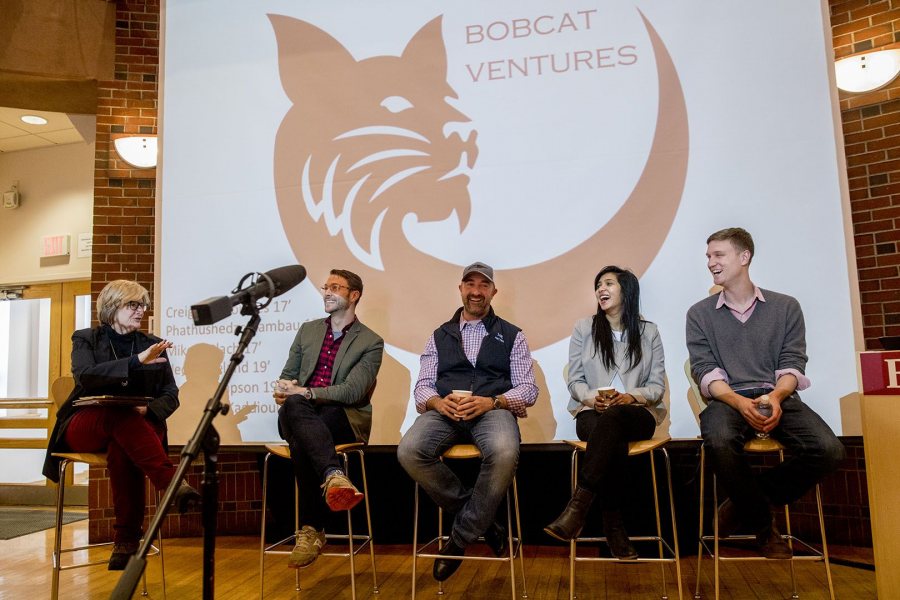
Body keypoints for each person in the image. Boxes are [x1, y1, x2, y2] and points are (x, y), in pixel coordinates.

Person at [686, 227, 844, 559]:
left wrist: (775, 398)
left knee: (829, 450)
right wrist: (737, 401)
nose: (711, 263)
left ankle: (746, 501)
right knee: (718, 439)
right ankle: (761, 524)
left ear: (744, 258)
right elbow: (705, 369)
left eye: (718, 255)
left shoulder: (785, 307)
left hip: (777, 394)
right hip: (728, 398)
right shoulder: (699, 314)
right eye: (708, 257)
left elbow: (792, 362)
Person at [42, 280, 200, 570]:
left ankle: (126, 542)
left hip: (136, 427)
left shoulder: (153, 343)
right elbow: (86, 376)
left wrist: (148, 409)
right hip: (87, 424)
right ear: (112, 307)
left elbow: (170, 395)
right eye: (133, 305)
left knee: (123, 439)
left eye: (142, 305)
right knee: (118, 416)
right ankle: (171, 483)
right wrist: (138, 361)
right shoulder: (86, 338)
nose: (140, 310)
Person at [397, 262, 539, 582]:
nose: (476, 291)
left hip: (492, 409)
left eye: (483, 285)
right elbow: (423, 386)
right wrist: (436, 402)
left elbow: (528, 389)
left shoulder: (512, 335)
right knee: (409, 450)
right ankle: (484, 522)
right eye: (470, 284)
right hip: (445, 412)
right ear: (460, 288)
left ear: (493, 291)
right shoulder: (439, 335)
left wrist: (494, 401)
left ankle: (459, 539)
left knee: (504, 451)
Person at [544, 266, 666, 559]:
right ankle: (614, 527)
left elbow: (656, 387)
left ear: (627, 289)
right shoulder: (584, 328)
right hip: (592, 412)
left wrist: (630, 396)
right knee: (610, 432)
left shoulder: (648, 331)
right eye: (598, 284)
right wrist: (591, 399)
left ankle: (579, 506)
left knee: (614, 421)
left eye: (609, 283)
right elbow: (575, 380)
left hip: (636, 412)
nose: (601, 289)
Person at [273, 269, 383, 568]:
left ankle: (311, 529)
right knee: (296, 408)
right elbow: (288, 375)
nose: (328, 292)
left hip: (342, 418)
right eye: (326, 286)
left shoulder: (371, 342)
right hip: (298, 413)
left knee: (302, 441)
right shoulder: (308, 331)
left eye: (336, 287)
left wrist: (305, 393)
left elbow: (352, 392)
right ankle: (333, 475)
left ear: (354, 295)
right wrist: (284, 388)